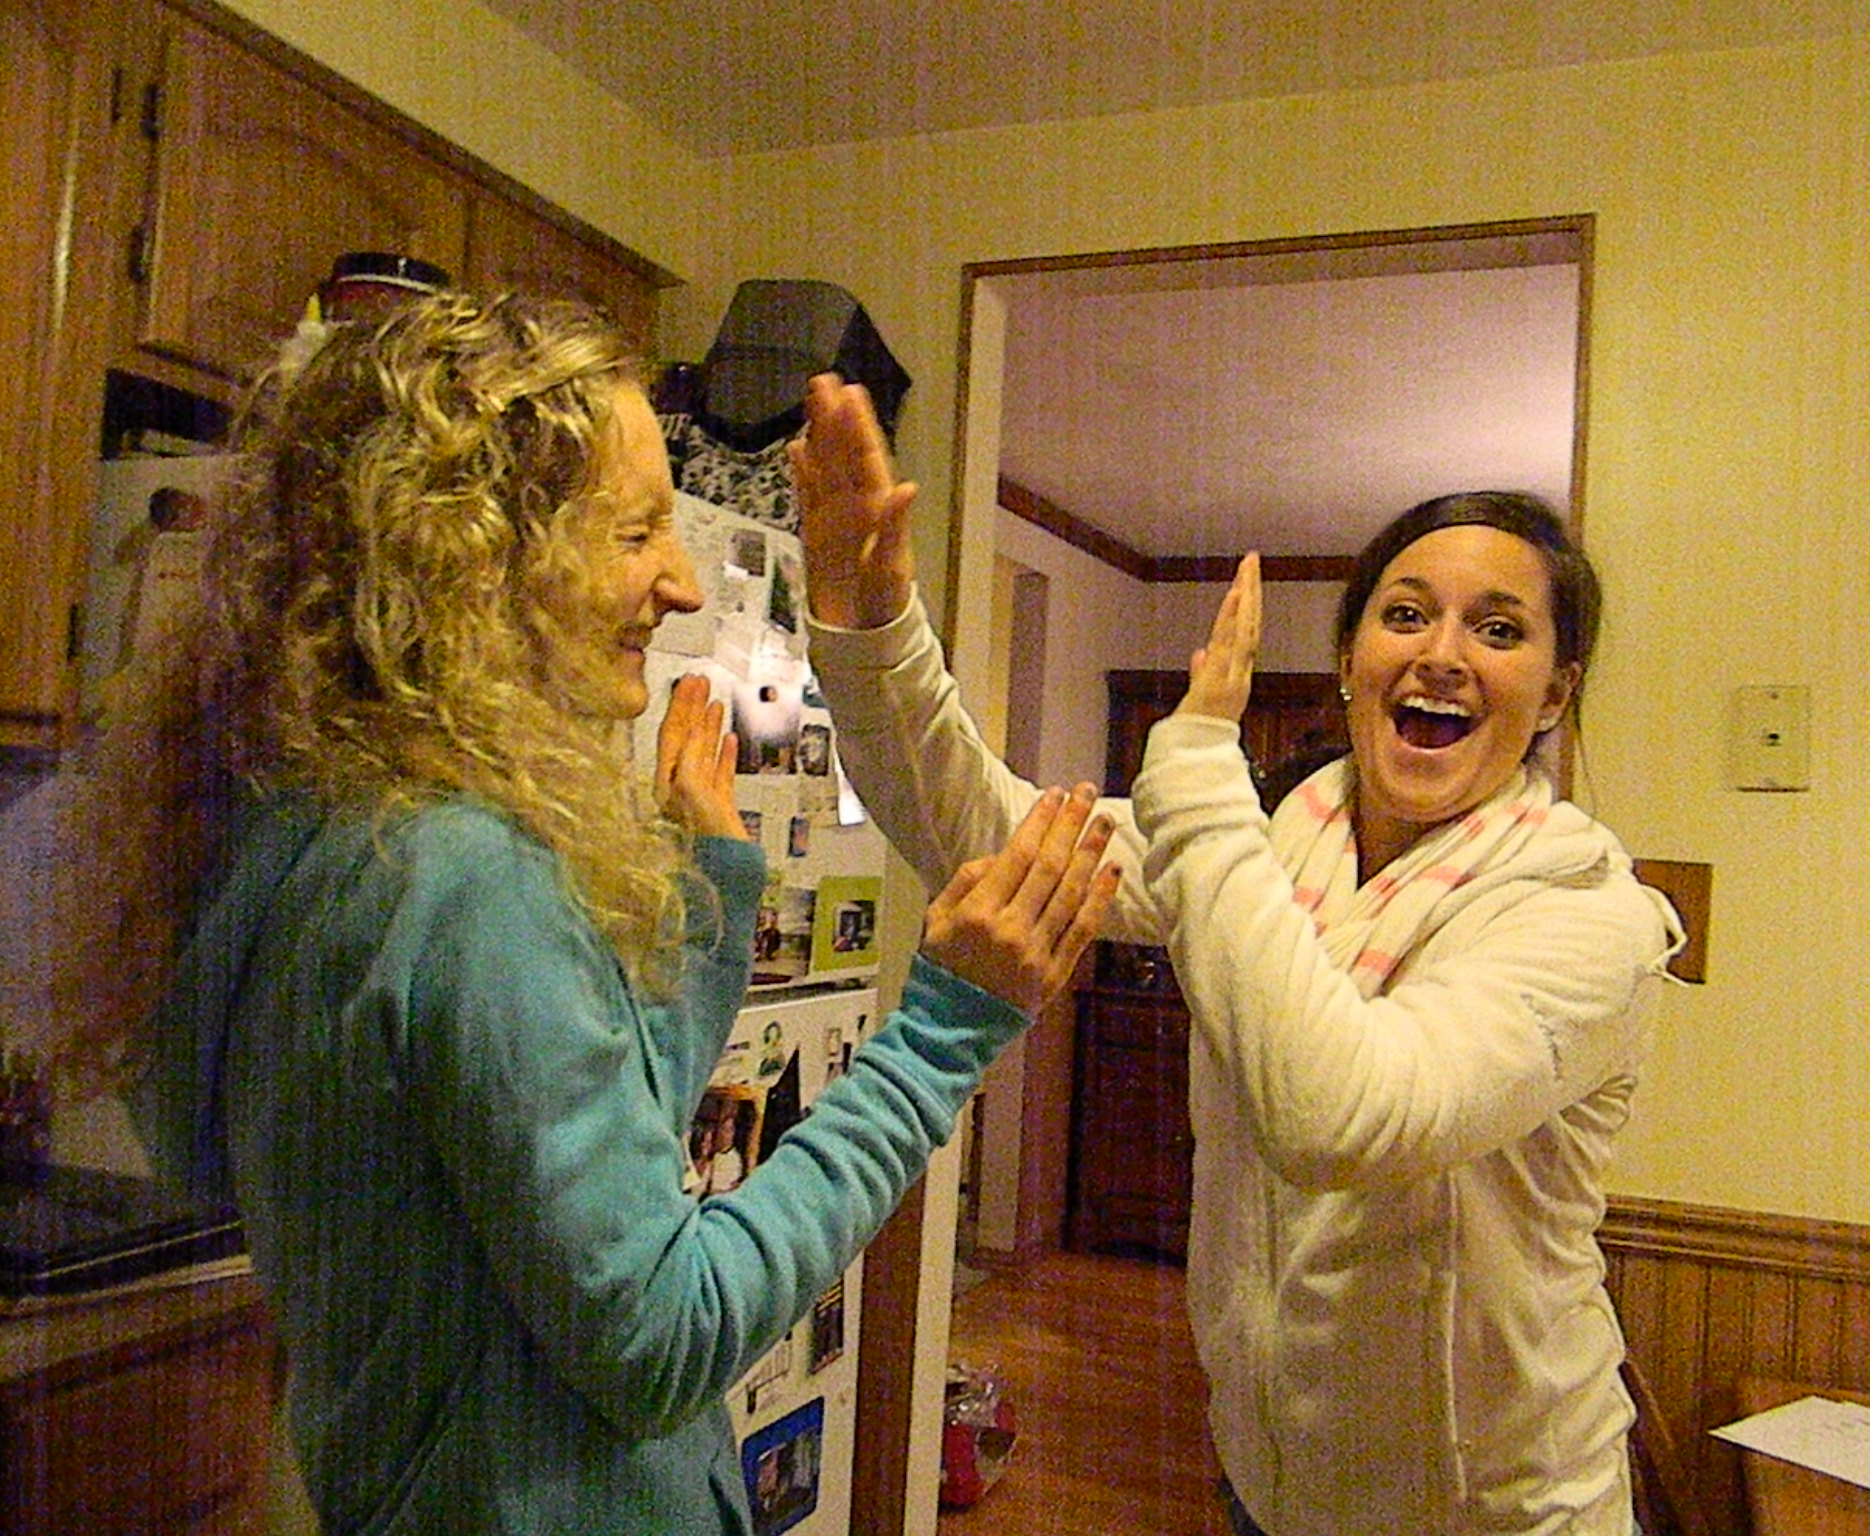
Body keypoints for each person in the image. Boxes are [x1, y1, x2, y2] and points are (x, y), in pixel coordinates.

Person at [70, 294, 1119, 1536]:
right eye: (633, 532)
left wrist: (716, 893)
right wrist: (942, 1035)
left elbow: (586, 1176)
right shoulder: (460, 874)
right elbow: (662, 1337)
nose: (680, 581)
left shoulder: (311, 819)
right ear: (468, 555)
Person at [791, 375, 1684, 1535]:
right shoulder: (1272, 848)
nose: (1442, 654)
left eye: (1498, 629)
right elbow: (989, 832)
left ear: (1556, 692)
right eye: (1405, 615)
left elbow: (1343, 1118)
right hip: (1267, 1489)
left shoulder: (1587, 916)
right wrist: (873, 626)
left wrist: (1196, 765)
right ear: (1351, 656)